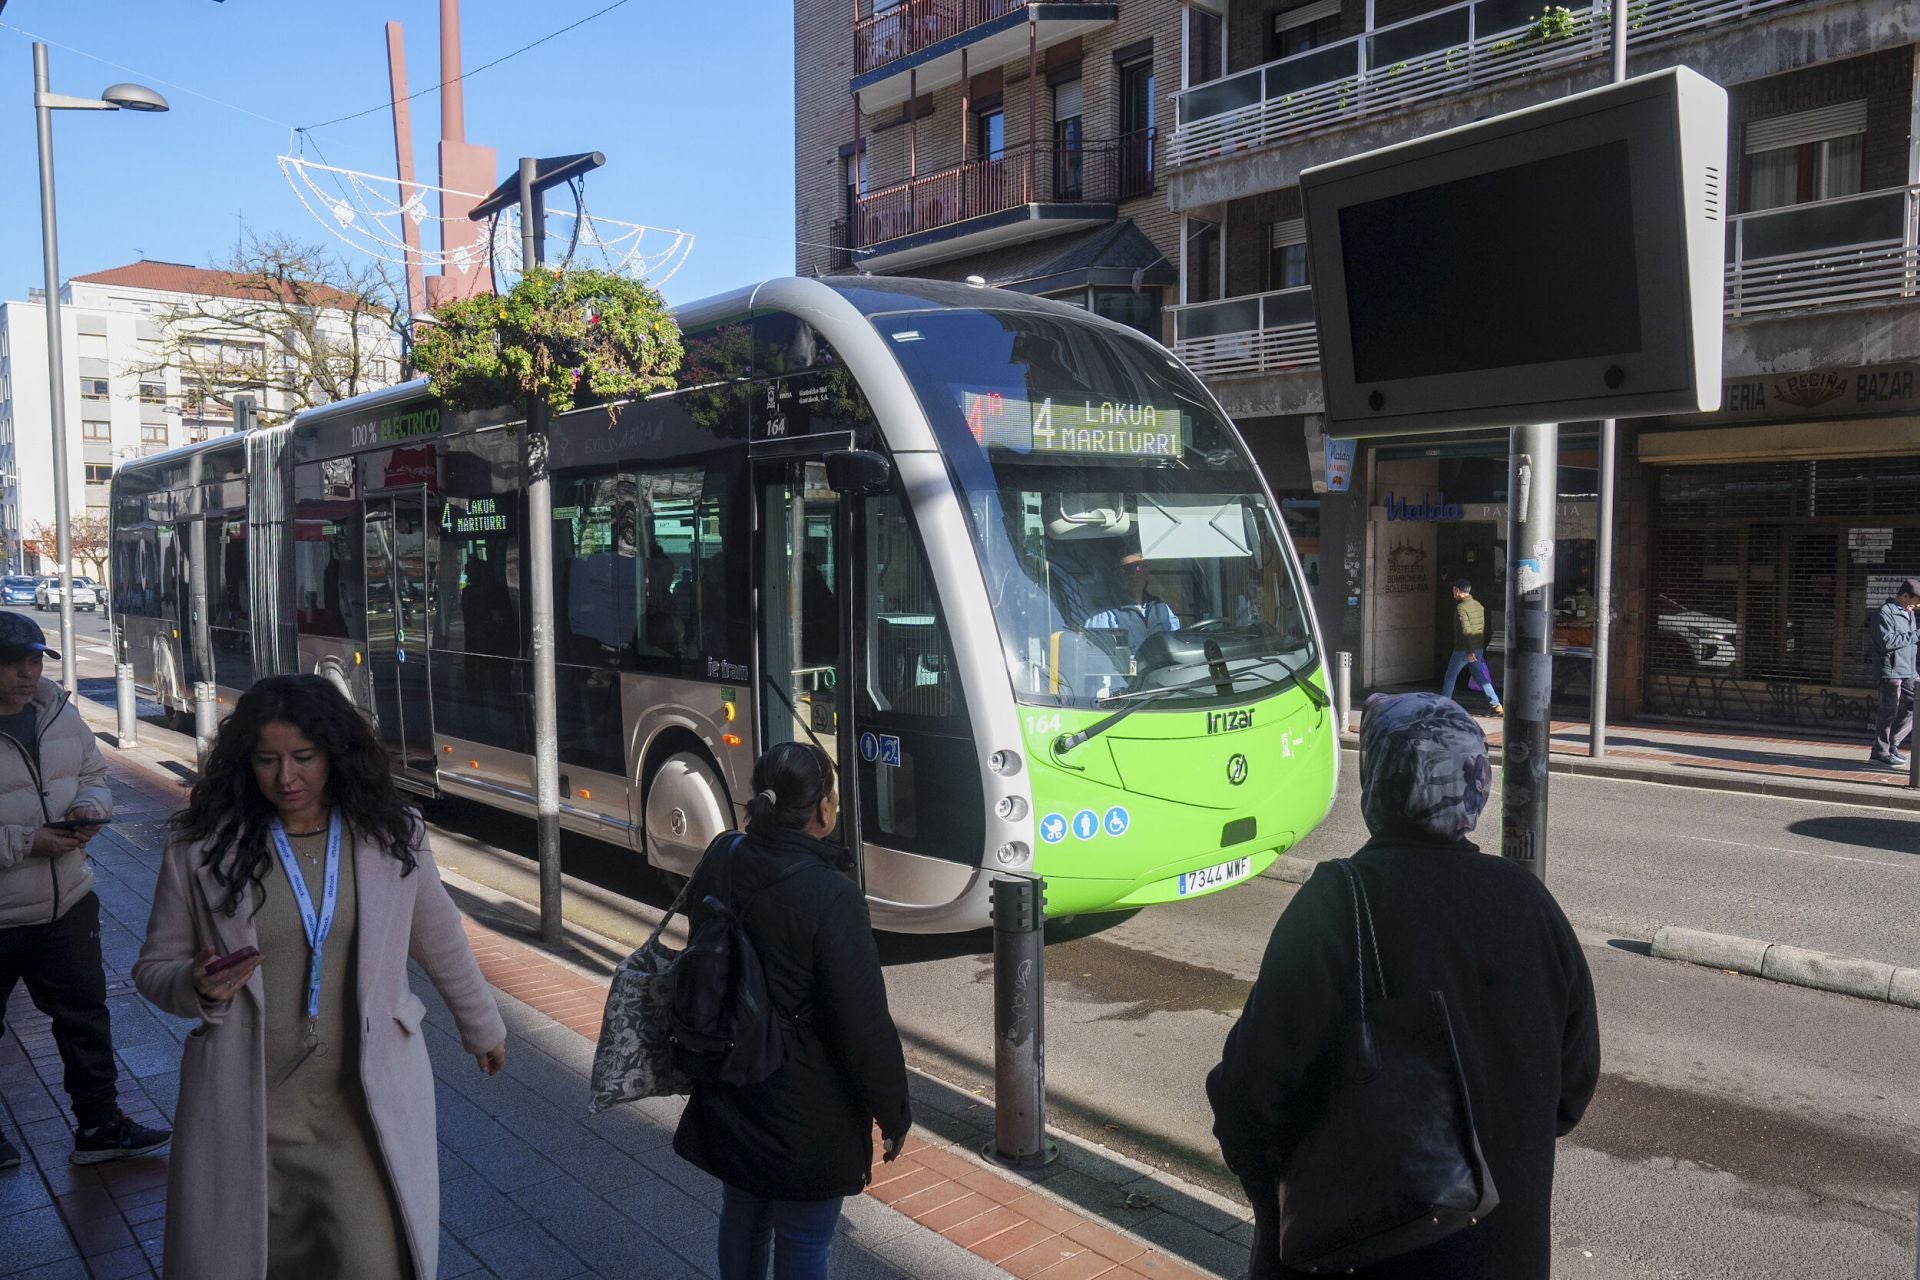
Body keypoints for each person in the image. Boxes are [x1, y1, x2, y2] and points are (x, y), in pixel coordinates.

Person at [1208, 692, 1600, 1279]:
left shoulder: (1337, 902)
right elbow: (1570, 1091)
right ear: (1476, 786)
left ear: (1378, 783)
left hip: (1362, 1249)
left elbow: (1249, 1091)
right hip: (1503, 1253)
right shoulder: (1530, 902)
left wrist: (1273, 1193)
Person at [134, 674, 506, 1280]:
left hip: (360, 1108)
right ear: (243, 762)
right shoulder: (202, 850)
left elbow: (438, 936)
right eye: (267, 760)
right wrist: (194, 983)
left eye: (304, 758)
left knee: (372, 1263)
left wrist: (482, 1026)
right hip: (246, 1110)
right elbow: (152, 970)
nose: (287, 778)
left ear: (336, 754)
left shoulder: (392, 835)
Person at [673, 742, 912, 1280]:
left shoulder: (722, 856)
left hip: (731, 1074)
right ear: (824, 809)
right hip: (806, 1100)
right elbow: (863, 1024)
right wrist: (893, 1111)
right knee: (803, 1239)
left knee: (743, 1212)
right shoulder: (832, 895)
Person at [0, 612, 170, 1170]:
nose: (27, 675)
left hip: (68, 900)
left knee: (85, 1017)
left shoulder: (57, 712)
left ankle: (99, 1126)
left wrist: (93, 808)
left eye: (33, 662)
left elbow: (94, 773)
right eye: (13, 664)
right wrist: (27, 841)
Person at [1867, 578, 1920, 768]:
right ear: (1904, 595)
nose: (1917, 605)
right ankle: (1879, 752)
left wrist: (1914, 672)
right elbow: (1887, 642)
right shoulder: (1884, 613)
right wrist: (1917, 634)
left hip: (1908, 670)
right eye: (1915, 600)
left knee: (1916, 707)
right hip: (1891, 671)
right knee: (1888, 711)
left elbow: (1911, 646)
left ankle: (1893, 744)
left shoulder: (1910, 613)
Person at [1084, 548, 1181, 649]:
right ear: (1117, 575)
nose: (1133, 575)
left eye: (1137, 568)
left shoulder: (1162, 608)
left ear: (1147, 573)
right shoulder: (1105, 613)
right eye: (1125, 570)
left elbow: (1176, 644)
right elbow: (1097, 656)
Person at [1441, 578, 1503, 716]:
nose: (1452, 592)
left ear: (1458, 591)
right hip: (1478, 648)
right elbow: (1482, 629)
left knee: (1450, 675)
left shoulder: (1461, 608)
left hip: (1464, 649)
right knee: (1479, 676)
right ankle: (1495, 704)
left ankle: (1443, 705)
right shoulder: (1478, 605)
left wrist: (1469, 651)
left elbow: (1466, 630)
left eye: (1454, 589)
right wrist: (1479, 648)